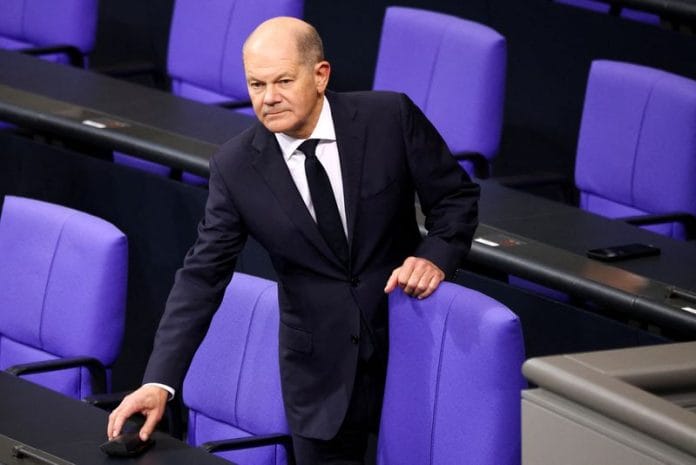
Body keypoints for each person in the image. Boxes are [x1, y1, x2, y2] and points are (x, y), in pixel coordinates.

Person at [107, 16, 479, 465]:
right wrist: (158, 381)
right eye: (256, 84)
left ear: (320, 75)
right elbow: (202, 276)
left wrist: (435, 257)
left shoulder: (388, 118)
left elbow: (455, 198)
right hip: (319, 380)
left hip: (410, 352)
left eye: (283, 81)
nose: (269, 98)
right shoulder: (236, 167)